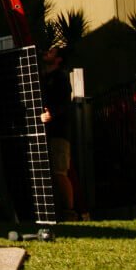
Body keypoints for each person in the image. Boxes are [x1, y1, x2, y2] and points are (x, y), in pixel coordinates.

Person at [39, 45, 78, 221]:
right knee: (50, 172)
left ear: (58, 59)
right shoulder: (43, 79)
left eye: (51, 52)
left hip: (59, 134)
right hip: (45, 132)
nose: (47, 53)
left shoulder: (61, 79)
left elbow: (65, 105)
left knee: (60, 172)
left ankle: (69, 211)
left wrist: (51, 114)